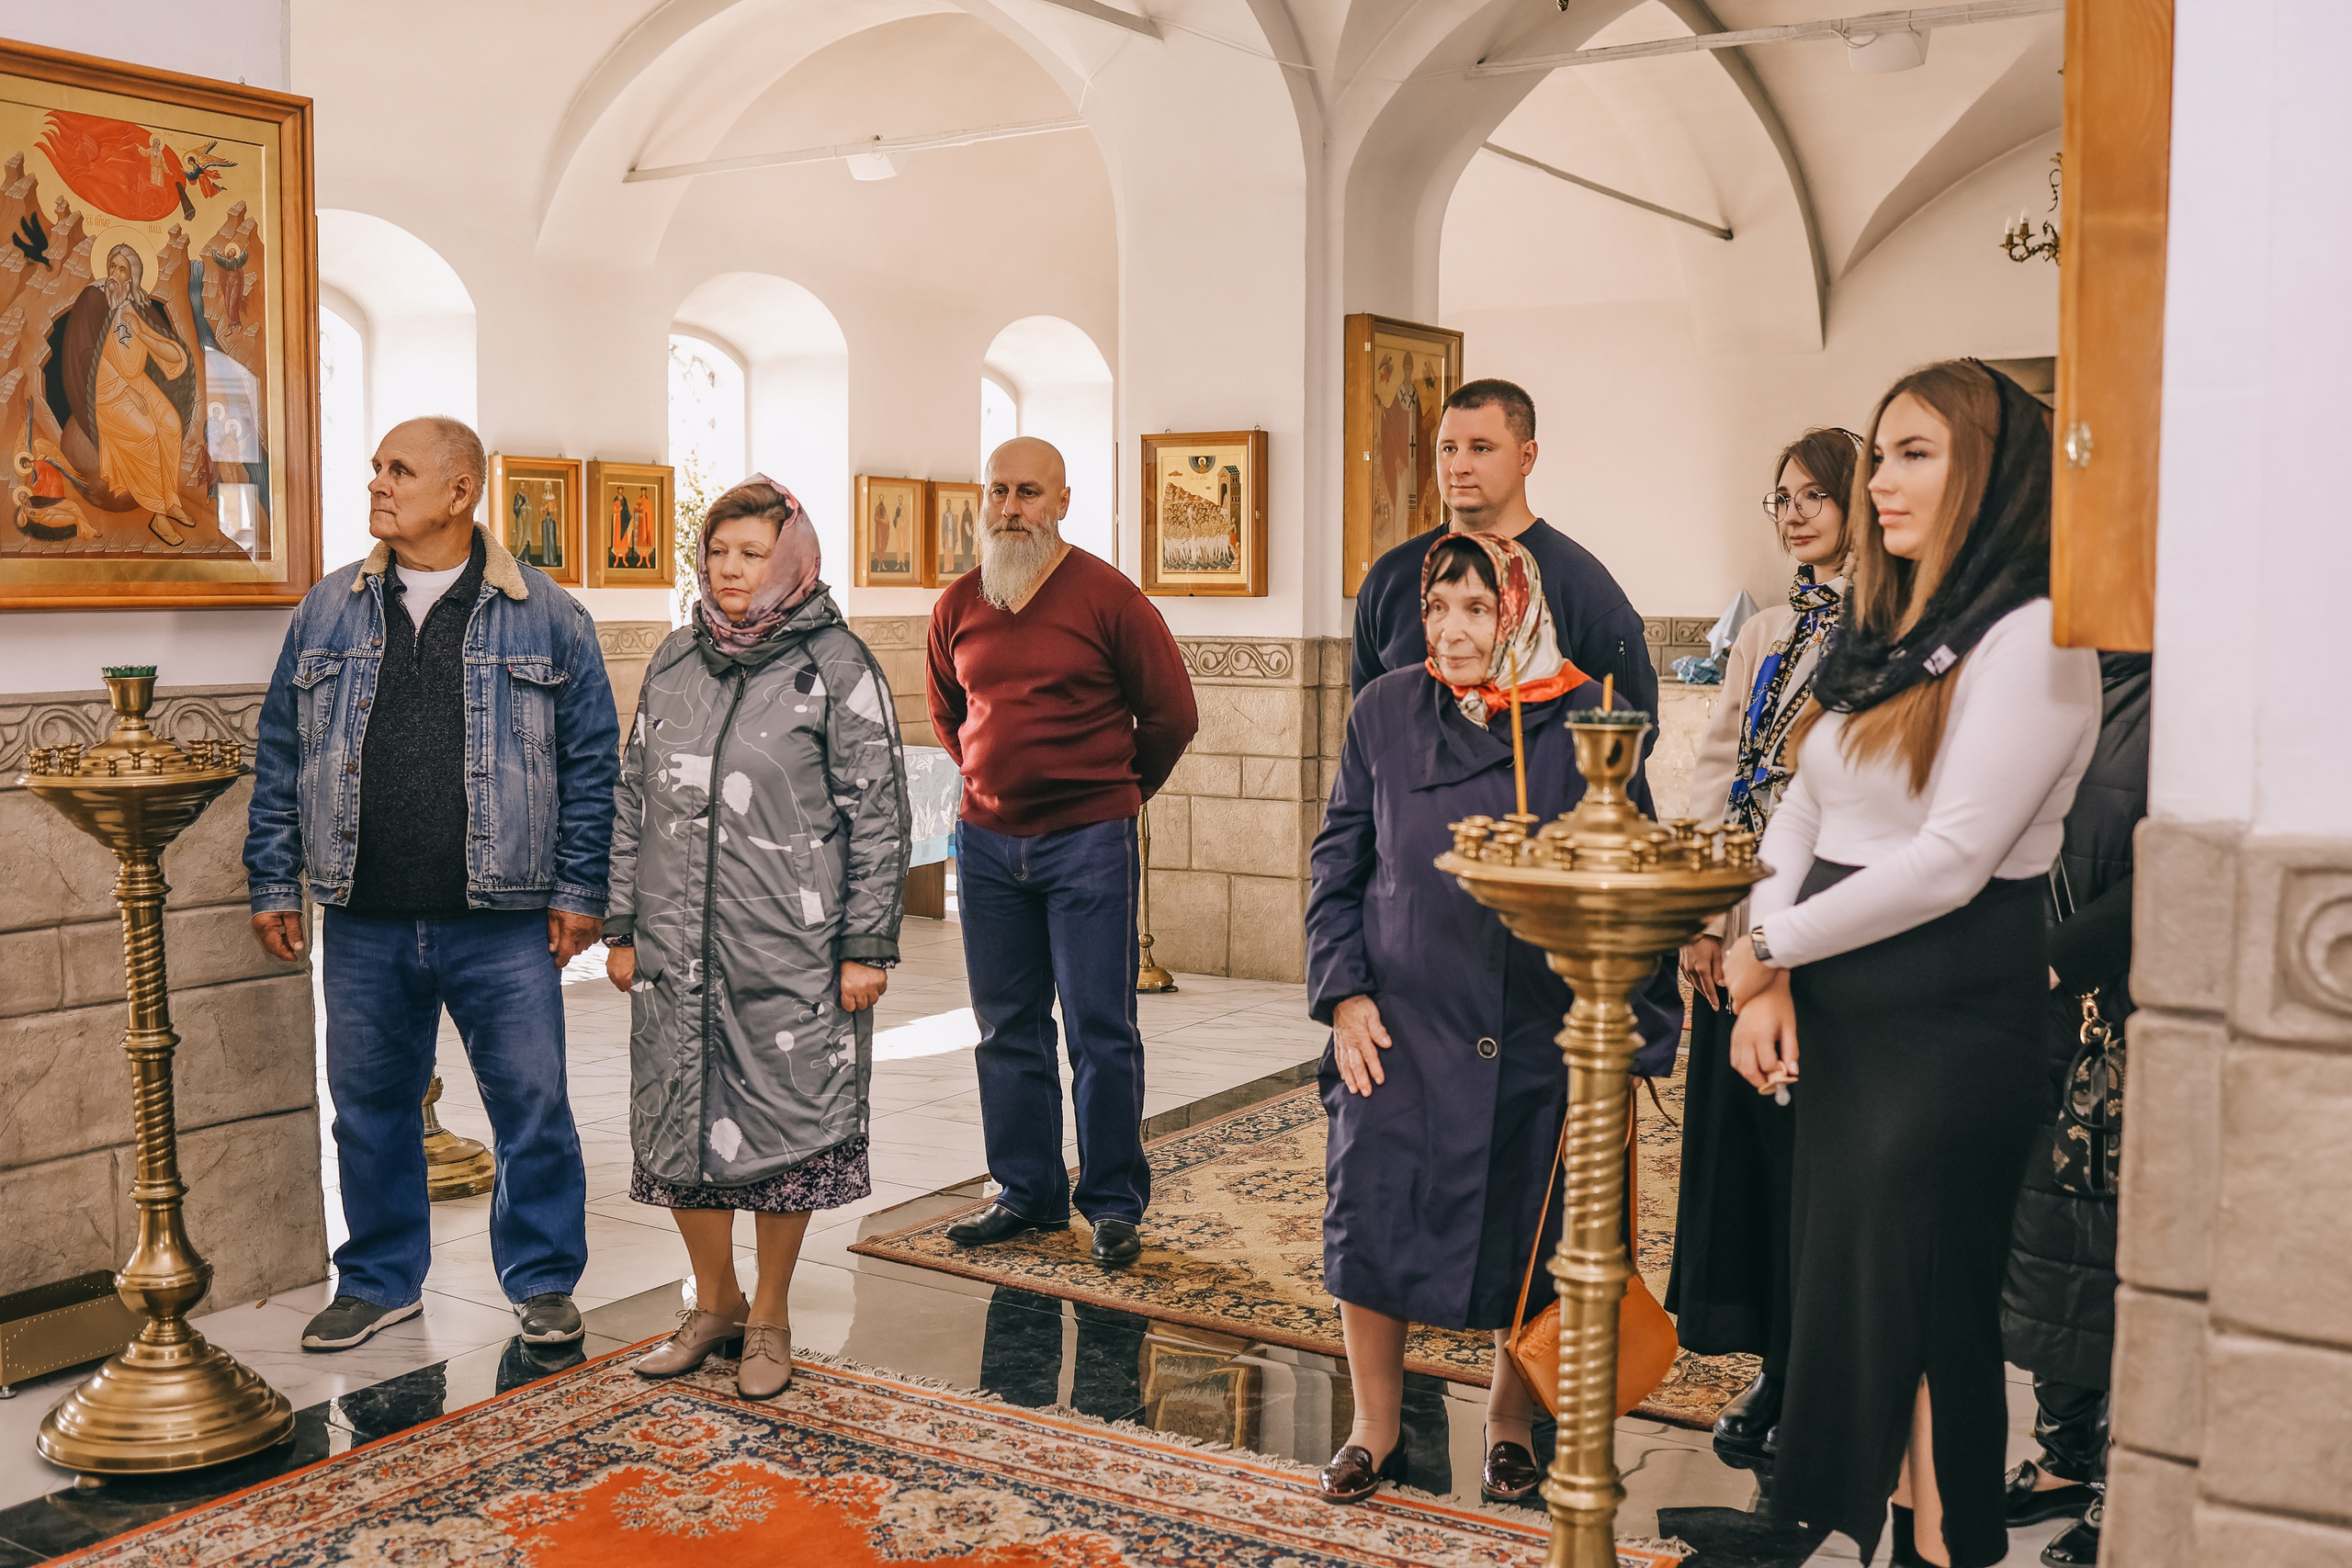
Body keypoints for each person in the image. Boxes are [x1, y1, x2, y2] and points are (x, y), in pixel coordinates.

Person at [1724, 361, 2101, 1568]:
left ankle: (1949, 1549)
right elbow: (1803, 804)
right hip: (1841, 1003)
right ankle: (1872, 1534)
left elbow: (1950, 859)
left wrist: (1767, 941)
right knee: (1857, 1314)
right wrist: (1770, 969)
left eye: (1914, 452)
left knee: (1935, 1320)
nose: (1880, 478)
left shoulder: (2037, 632)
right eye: (1879, 453)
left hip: (1949, 1017)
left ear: (1989, 469)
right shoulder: (1888, 627)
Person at [1306, 531, 1679, 1506]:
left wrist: (1630, 1025)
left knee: (1535, 1237)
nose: (1453, 629)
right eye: (1437, 608)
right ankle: (1371, 1428)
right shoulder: (1385, 710)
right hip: (1400, 1024)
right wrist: (1344, 996)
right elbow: (1337, 861)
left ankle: (1509, 1423)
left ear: (1519, 608)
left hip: (1539, 1031)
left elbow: (1631, 876)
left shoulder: (1592, 716)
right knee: (1372, 1214)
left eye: (1476, 608)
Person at [245, 415, 617, 1352]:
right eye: (375, 467)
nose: (378, 484)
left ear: (459, 493)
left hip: (502, 918)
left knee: (531, 1108)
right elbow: (282, 755)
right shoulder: (327, 610)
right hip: (363, 917)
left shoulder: (548, 615)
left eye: (399, 470)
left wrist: (581, 890)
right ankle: (377, 1280)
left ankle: (540, 1280)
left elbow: (591, 764)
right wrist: (272, 882)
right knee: (368, 1110)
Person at [605, 475, 908, 1401]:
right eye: (718, 552)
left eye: (751, 555)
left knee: (787, 1133)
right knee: (677, 1129)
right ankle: (715, 1301)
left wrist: (866, 945)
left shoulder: (837, 665)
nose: (730, 571)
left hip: (793, 950)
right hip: (674, 946)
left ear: (792, 563)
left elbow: (877, 812)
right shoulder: (673, 660)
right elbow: (632, 794)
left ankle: (770, 1315)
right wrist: (621, 921)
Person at [924, 436, 1198, 1269]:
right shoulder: (958, 604)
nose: (1011, 507)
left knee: (1100, 1028)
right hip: (987, 846)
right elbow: (947, 712)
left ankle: (1113, 1201)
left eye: (1029, 492)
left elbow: (1172, 717)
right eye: (999, 491)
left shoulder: (1111, 599)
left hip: (1089, 843)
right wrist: (984, 776)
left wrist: (1112, 793)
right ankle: (1027, 1191)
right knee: (1006, 1029)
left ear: (1063, 500)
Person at [1668, 427, 1861, 1462]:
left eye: (1813, 495)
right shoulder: (1768, 632)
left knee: (1816, 1154)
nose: (1792, 513)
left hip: (1840, 912)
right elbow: (1715, 768)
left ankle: (1818, 1369)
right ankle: (1768, 1364)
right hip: (1745, 906)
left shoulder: (1888, 624)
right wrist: (1702, 920)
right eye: (1779, 498)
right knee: (1745, 1148)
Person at [1997, 649, 2150, 1568]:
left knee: (2116, 1241)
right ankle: (2062, 1453)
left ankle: (2126, 1477)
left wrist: (2067, 954)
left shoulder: (2192, 689)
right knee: (2044, 1227)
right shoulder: (2051, 673)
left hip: (2119, 1003)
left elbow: (2179, 857)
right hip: (2031, 1000)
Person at [1348, 378, 1654, 720]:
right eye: (1448, 448)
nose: (1458, 467)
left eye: (1480, 448)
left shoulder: (1584, 587)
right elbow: (1369, 721)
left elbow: (1630, 732)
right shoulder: (1389, 579)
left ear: (1526, 457)